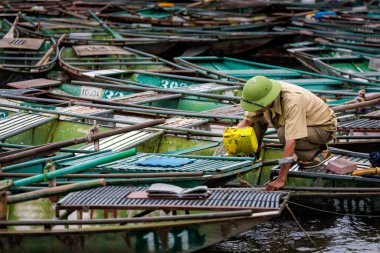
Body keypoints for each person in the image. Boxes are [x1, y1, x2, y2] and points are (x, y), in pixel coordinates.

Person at [237, 76, 337, 191]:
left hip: (322, 127)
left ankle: (318, 152)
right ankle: (252, 156)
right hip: (304, 122)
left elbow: (291, 143)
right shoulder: (261, 95)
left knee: (283, 134)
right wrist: (233, 140)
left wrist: (280, 179)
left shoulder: (293, 101)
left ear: (268, 100)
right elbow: (246, 122)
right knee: (256, 120)